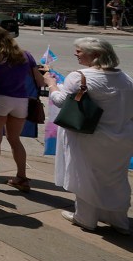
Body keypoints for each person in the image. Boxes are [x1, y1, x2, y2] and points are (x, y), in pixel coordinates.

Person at [45, 37, 133, 233]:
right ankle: (118, 220)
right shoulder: (126, 78)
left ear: (95, 55)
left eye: (79, 51)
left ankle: (86, 218)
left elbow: (60, 101)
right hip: (122, 137)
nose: (76, 54)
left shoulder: (79, 76)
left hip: (89, 136)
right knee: (115, 178)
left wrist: (51, 84)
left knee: (84, 175)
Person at [0, 25, 45, 193]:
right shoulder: (25, 55)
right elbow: (39, 81)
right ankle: (21, 177)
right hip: (20, 100)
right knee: (15, 139)